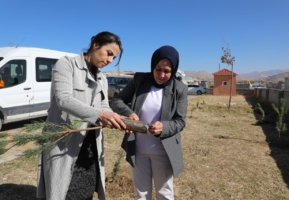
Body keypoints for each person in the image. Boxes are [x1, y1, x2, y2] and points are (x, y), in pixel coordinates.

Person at [37, 31, 127, 200]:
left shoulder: (102, 78)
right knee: (63, 192)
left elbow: (104, 106)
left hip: (90, 147)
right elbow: (63, 100)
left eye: (113, 58)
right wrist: (99, 115)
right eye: (109, 54)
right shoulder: (66, 64)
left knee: (85, 192)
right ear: (95, 45)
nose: (109, 61)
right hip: (64, 144)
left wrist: (118, 119)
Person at [110, 45, 188, 200]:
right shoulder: (140, 80)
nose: (161, 74)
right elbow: (117, 101)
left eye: (167, 71)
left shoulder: (179, 89)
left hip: (163, 151)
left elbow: (180, 121)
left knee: (164, 193)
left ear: (173, 71)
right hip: (138, 149)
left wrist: (164, 126)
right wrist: (130, 113)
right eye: (158, 68)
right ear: (153, 65)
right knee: (141, 193)